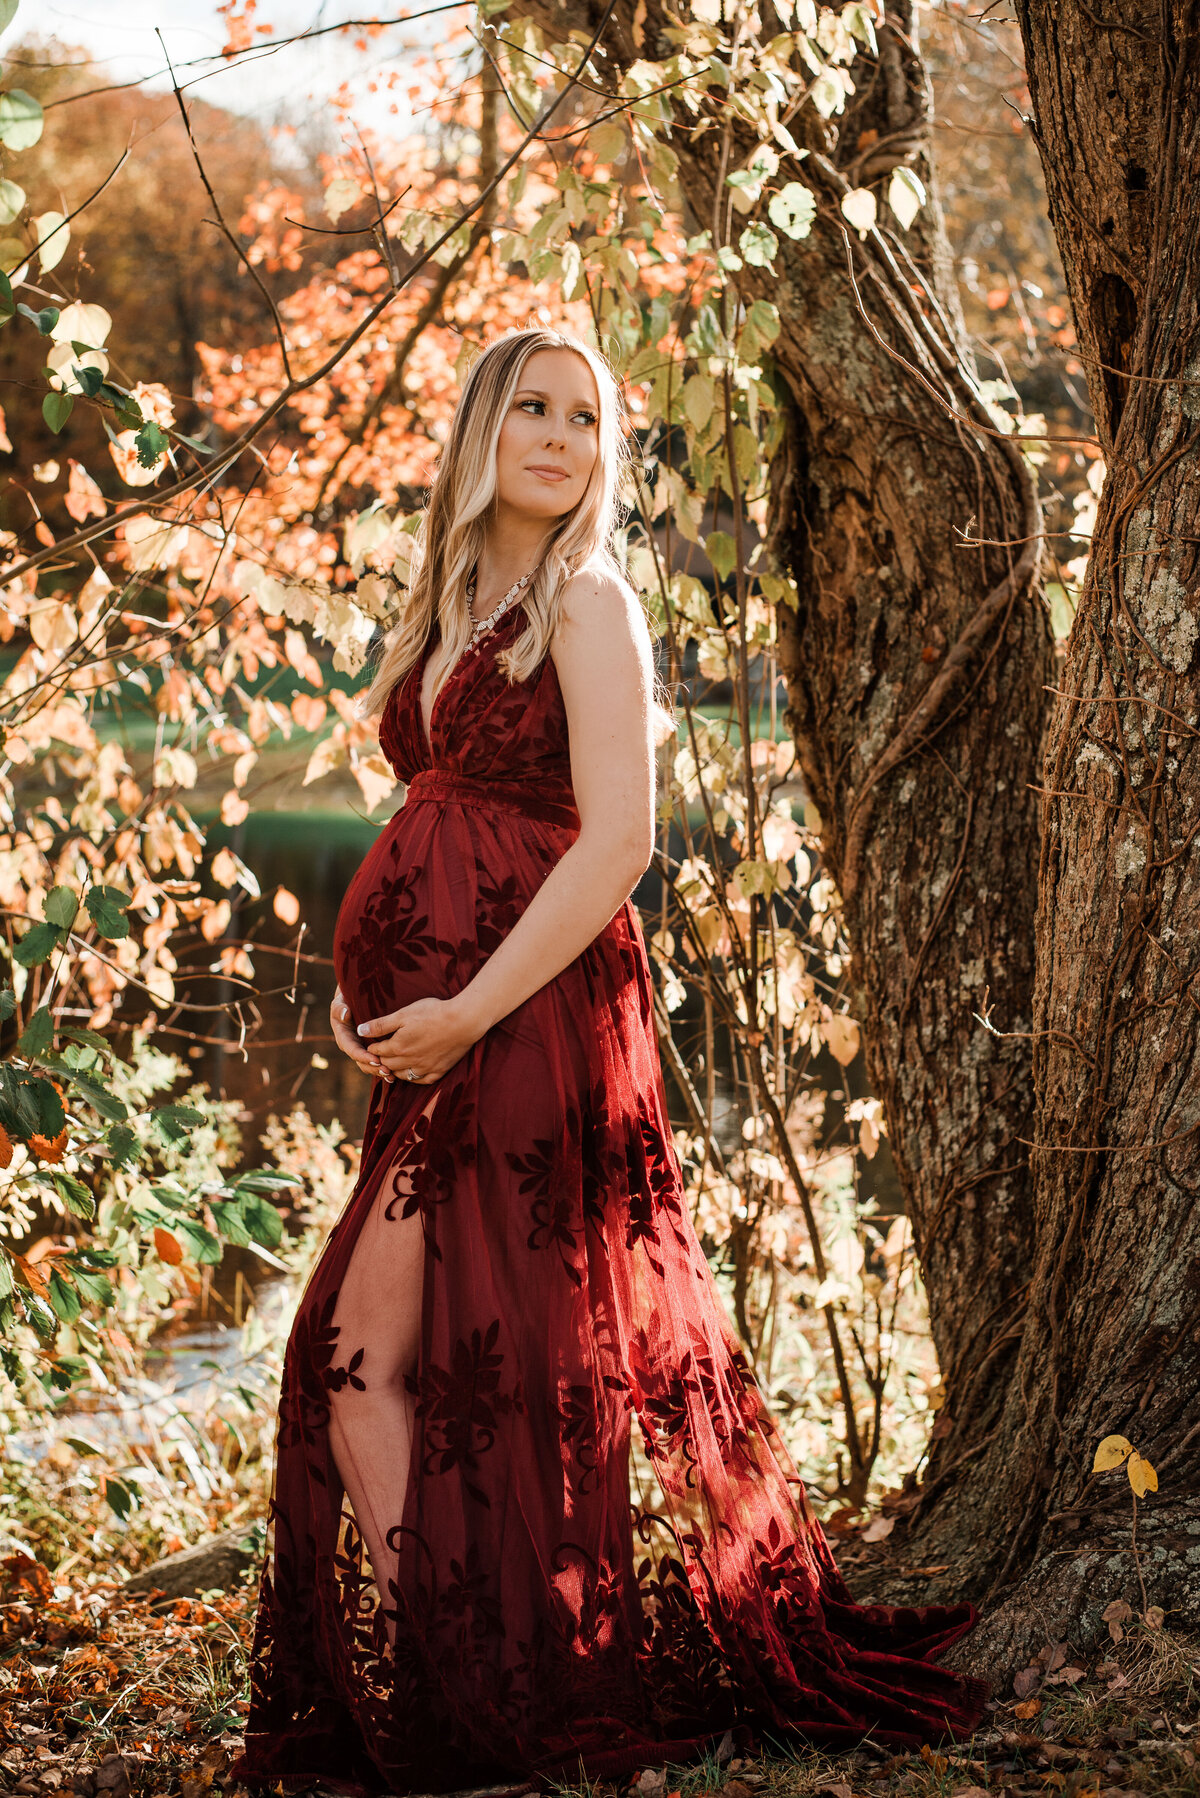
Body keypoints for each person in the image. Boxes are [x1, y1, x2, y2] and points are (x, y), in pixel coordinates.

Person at [232, 327, 989, 1797]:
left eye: (589, 417)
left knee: (449, 1354)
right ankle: (482, 1685)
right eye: (536, 405)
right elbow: (433, 822)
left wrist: (465, 1010)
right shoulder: (450, 604)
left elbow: (621, 847)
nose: (564, 435)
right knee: (376, 1360)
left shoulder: (590, 601)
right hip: (432, 1042)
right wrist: (368, 993)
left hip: (532, 1022)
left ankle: (510, 1697)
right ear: (481, 426)